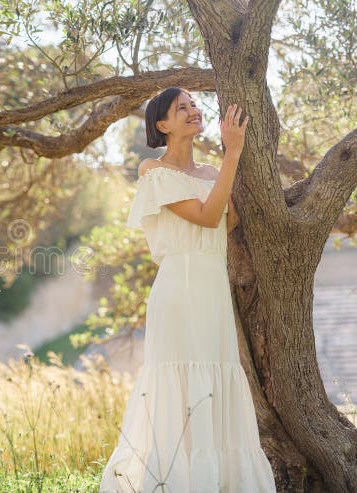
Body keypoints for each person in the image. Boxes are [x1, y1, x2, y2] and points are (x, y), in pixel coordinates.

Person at [98, 87, 277, 492]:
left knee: (217, 379)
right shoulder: (153, 170)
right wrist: (233, 152)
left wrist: (231, 166)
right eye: (183, 108)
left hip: (213, 286)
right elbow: (208, 216)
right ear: (162, 125)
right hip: (178, 289)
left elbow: (228, 224)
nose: (194, 111)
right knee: (177, 385)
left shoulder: (213, 174)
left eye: (195, 105)